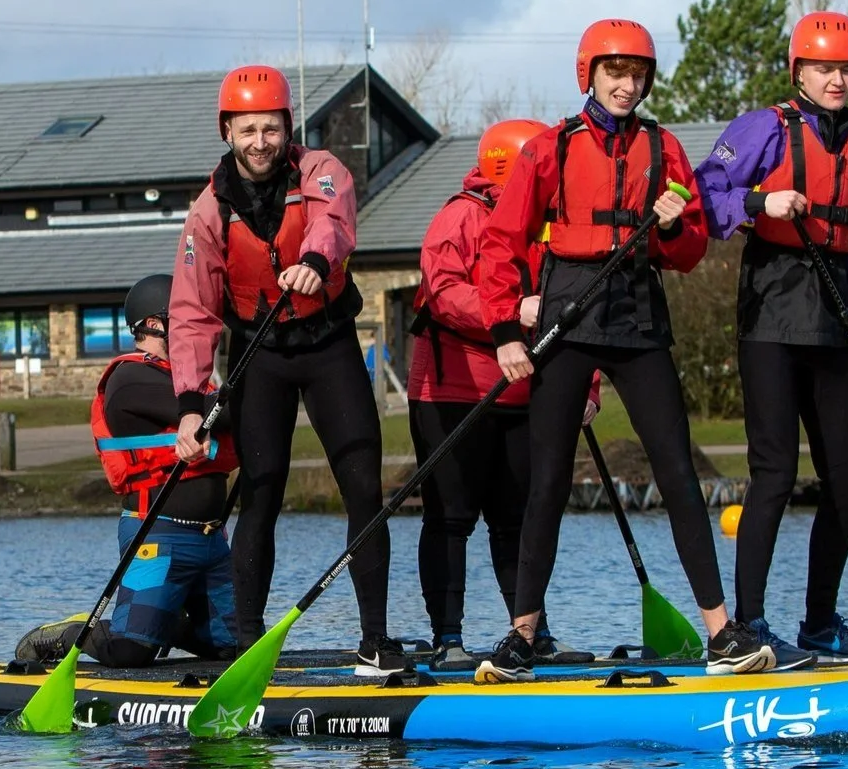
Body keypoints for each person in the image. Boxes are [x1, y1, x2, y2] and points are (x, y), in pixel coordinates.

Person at [473, 19, 776, 680]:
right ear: (590, 74)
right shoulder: (550, 149)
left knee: (677, 473)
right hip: (568, 315)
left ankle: (722, 634)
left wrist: (673, 228)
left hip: (637, 317)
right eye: (615, 73)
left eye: (637, 74)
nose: (626, 85)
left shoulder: (663, 148)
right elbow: (500, 243)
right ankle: (523, 636)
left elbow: (690, 249)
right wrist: (504, 332)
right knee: (547, 480)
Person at [167, 64, 403, 676]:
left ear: (286, 127)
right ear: (227, 132)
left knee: (363, 488)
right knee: (262, 490)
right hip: (259, 353)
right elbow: (192, 313)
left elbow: (334, 220)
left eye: (270, 128)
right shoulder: (207, 213)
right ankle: (246, 649)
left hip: (328, 344)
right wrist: (190, 405)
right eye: (247, 130)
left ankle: (375, 642)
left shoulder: (322, 171)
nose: (260, 142)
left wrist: (316, 261)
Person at [696, 12, 848, 666]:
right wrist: (758, 203)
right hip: (772, 312)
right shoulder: (765, 127)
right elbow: (705, 189)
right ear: (799, 71)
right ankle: (747, 626)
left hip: (833, 319)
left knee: (847, 478)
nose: (835, 80)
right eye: (823, 68)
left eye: (845, 69)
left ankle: (820, 625)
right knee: (774, 472)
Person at [406, 119, 593, 672]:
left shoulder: (554, 224)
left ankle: (528, 632)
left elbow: (579, 309)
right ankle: (448, 637)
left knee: (518, 519)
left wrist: (590, 383)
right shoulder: (459, 216)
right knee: (451, 517)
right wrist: (512, 310)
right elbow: (444, 295)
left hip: (525, 392)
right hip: (452, 391)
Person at [58, 273, 243, 666]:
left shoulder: (192, 380)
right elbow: (218, 417)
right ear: (155, 325)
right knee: (130, 653)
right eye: (185, 317)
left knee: (234, 646)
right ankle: (71, 635)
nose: (195, 325)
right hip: (157, 535)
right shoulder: (130, 379)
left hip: (212, 539)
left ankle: (166, 625)